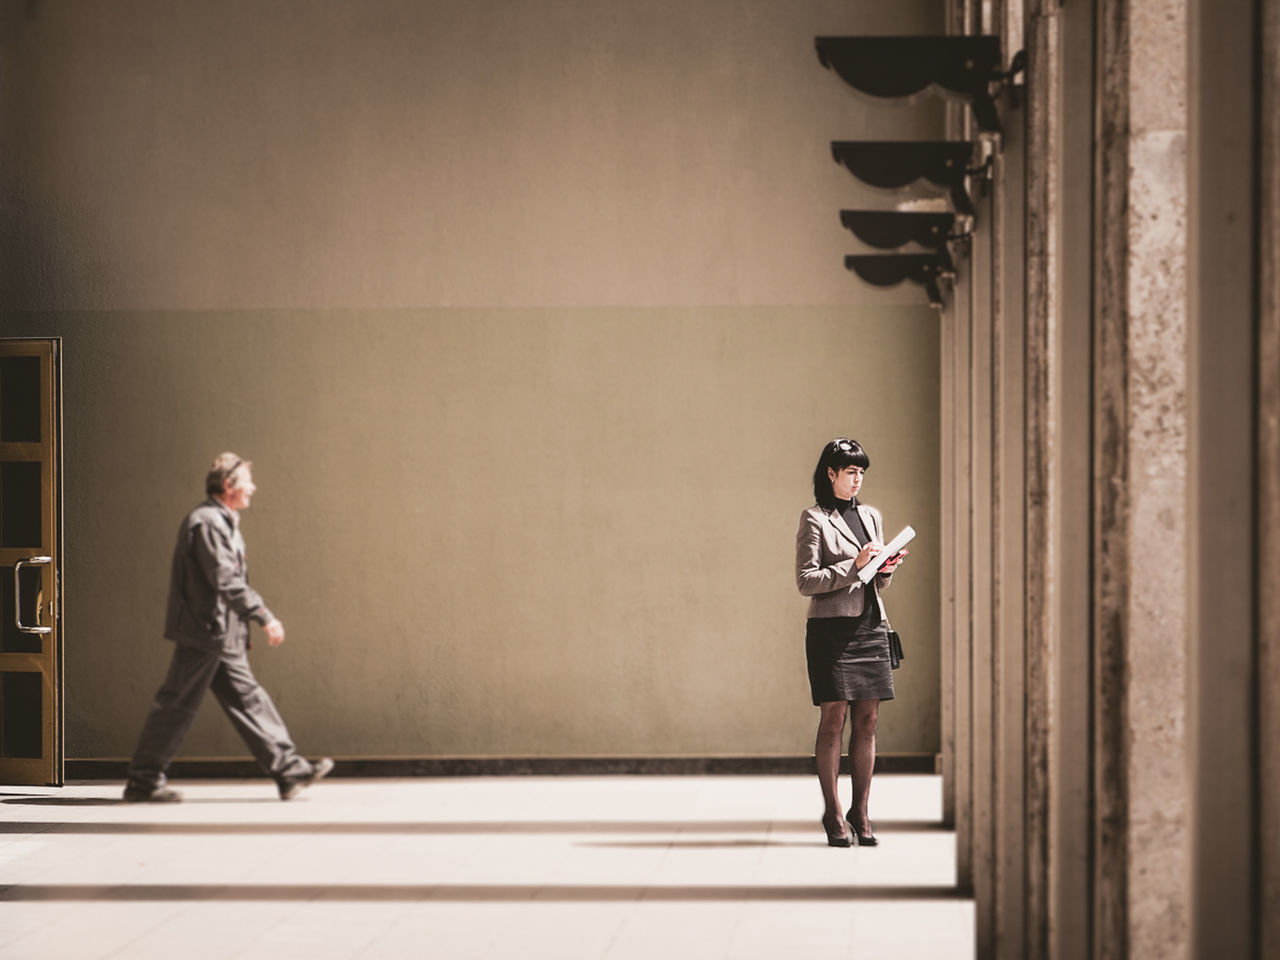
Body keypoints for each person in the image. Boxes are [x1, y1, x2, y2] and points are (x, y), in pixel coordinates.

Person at [123, 452, 333, 802]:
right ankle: (143, 781)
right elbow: (225, 579)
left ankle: (289, 771)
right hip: (206, 634)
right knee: (177, 705)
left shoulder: (222, 521)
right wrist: (263, 615)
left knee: (248, 699)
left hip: (221, 634)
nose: (254, 487)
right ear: (228, 486)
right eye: (248, 481)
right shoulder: (206, 523)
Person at [795, 438, 907, 846]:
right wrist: (853, 564)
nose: (857, 480)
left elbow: (874, 580)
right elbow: (806, 581)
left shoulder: (872, 517)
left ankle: (862, 811)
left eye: (861, 472)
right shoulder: (814, 519)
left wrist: (885, 568)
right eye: (850, 472)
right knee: (834, 719)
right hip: (831, 632)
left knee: (869, 721)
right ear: (831, 473)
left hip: (871, 626)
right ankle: (833, 812)